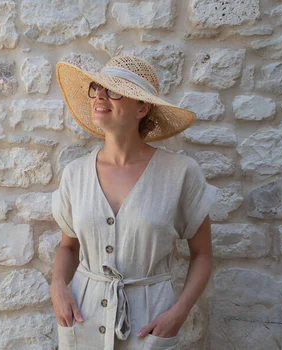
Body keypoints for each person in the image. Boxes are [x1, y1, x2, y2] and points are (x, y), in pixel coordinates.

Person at [50, 54, 218, 350]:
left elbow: (202, 254)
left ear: (143, 107)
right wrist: (58, 287)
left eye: (113, 90)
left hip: (150, 322)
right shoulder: (75, 174)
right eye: (96, 88)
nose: (100, 95)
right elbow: (69, 247)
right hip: (82, 318)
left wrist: (178, 314)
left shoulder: (179, 173)